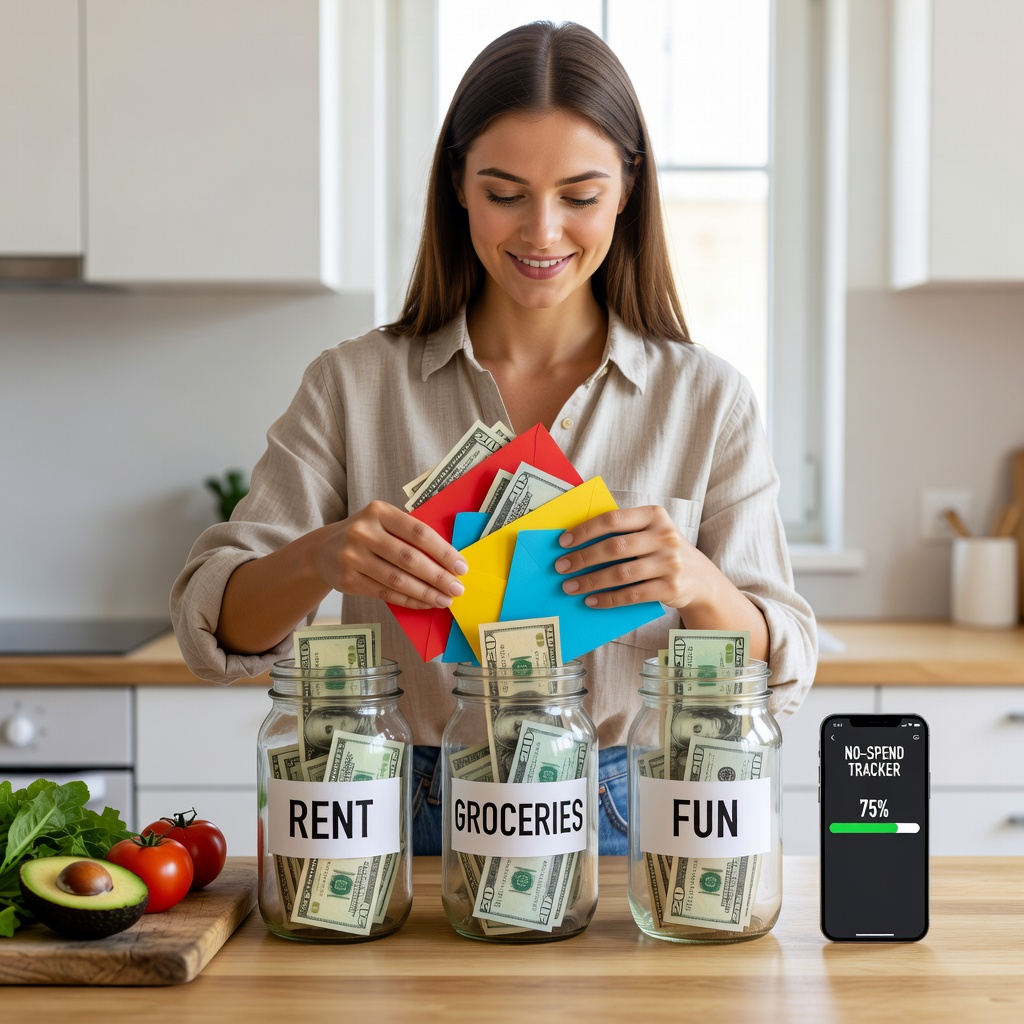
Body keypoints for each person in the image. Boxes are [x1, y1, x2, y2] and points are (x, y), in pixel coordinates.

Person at [171, 21, 817, 855]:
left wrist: (696, 582)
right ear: (458, 188)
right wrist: (320, 556)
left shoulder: (709, 398)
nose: (542, 232)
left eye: (579, 196)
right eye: (505, 193)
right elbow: (214, 631)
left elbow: (781, 665)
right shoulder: (353, 384)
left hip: (623, 808)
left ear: (627, 189)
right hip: (394, 808)